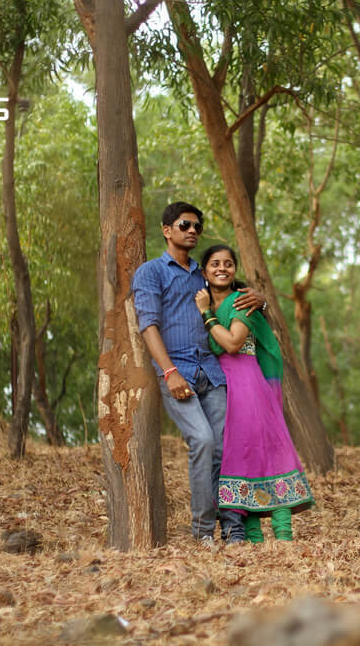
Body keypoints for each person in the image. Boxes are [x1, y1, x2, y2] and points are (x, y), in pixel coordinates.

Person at [131, 202, 265, 546]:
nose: (192, 231)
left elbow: (234, 291)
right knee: (203, 441)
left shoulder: (201, 273)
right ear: (167, 231)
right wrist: (169, 371)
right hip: (177, 372)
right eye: (184, 225)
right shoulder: (151, 272)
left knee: (224, 450)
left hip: (213, 372)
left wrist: (259, 300)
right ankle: (203, 531)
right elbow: (148, 325)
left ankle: (232, 527)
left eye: (196, 228)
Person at [195, 244, 314, 542]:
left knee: (269, 451)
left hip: (246, 381)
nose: (222, 268)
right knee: (240, 455)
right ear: (204, 271)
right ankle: (253, 537)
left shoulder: (240, 300)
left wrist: (207, 314)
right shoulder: (201, 298)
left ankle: (283, 534)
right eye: (215, 264)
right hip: (222, 384)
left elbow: (234, 342)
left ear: (235, 270)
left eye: (228, 264)